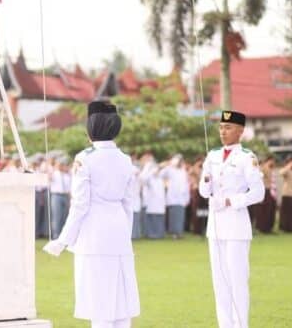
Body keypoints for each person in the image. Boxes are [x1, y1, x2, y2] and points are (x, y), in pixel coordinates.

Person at [43, 100, 140, 328]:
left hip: (95, 232)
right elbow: (128, 205)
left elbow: (80, 205)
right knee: (120, 302)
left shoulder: (85, 158)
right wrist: (125, 234)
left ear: (91, 128)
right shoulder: (125, 160)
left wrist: (63, 241)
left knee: (100, 303)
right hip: (118, 230)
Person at [199, 110, 265, 328]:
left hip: (236, 224)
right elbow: (202, 190)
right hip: (215, 226)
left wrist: (230, 201)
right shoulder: (213, 156)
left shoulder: (247, 157)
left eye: (228, 128)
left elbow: (258, 193)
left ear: (240, 131)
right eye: (220, 127)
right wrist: (207, 182)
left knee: (237, 281)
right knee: (220, 282)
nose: (222, 132)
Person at [161, 155, 190, 239]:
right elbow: (162, 174)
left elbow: (186, 185)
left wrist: (187, 197)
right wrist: (169, 165)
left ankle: (179, 233)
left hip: (181, 198)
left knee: (180, 217)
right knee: (173, 217)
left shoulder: (183, 171)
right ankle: (174, 234)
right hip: (172, 198)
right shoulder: (170, 170)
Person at [49, 157, 72, 240]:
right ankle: (56, 235)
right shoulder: (54, 173)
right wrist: (54, 166)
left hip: (65, 196)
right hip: (56, 196)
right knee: (57, 216)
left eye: (63, 165)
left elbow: (69, 188)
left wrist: (70, 199)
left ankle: (63, 236)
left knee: (64, 216)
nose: (62, 166)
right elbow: (48, 177)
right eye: (61, 165)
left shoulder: (67, 175)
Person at [255, 157, 277, 233]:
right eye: (272, 161)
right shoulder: (263, 168)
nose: (273, 163)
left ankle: (269, 227)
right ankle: (262, 228)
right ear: (269, 160)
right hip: (264, 190)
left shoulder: (271, 169)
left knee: (270, 210)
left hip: (271, 191)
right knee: (263, 210)